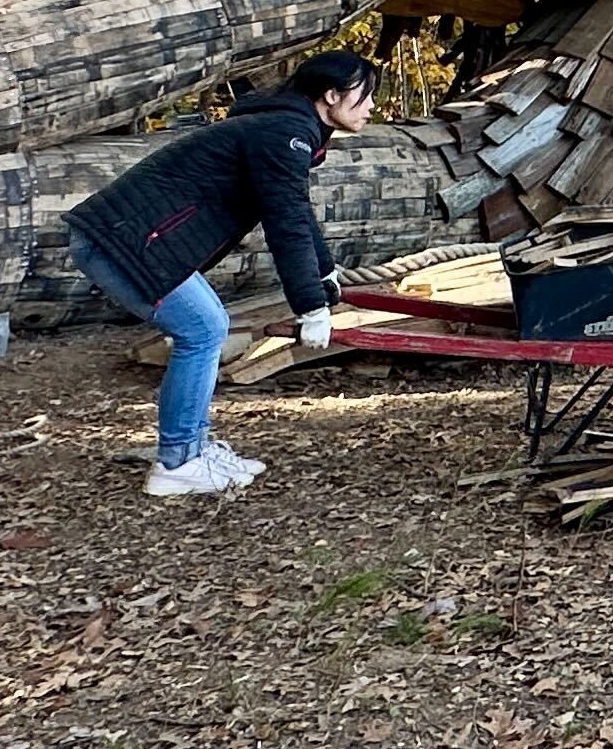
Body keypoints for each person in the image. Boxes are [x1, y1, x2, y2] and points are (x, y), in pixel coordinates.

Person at [62, 48, 378, 498]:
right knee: (204, 329)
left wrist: (324, 275)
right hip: (125, 241)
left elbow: (296, 214)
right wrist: (310, 307)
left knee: (207, 327)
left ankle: (191, 448)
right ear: (331, 95)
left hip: (132, 240)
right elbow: (284, 222)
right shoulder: (284, 133)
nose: (370, 108)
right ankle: (179, 462)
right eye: (364, 96)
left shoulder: (285, 128)